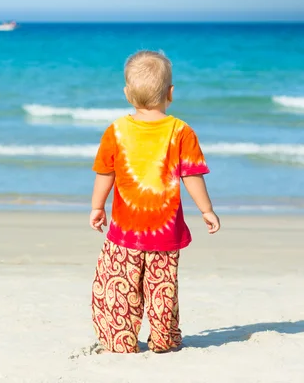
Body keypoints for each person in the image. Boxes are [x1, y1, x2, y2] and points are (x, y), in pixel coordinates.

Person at [90, 50, 220, 354]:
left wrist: (97, 206)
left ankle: (120, 340)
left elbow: (105, 173)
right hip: (165, 231)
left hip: (125, 231)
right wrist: (207, 210)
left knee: (117, 286)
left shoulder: (117, 131)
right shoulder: (181, 131)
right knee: (162, 288)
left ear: (127, 93)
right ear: (170, 93)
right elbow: (192, 175)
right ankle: (165, 339)